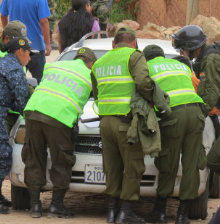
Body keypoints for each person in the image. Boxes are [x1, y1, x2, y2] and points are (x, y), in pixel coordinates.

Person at [21, 47, 97, 218]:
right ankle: (56, 206)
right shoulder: (90, 75)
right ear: (91, 64)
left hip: (33, 111)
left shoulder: (56, 66)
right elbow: (100, 99)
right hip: (58, 117)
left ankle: (35, 206)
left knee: (34, 158)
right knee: (61, 160)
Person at [91, 26, 155, 224]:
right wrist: (153, 101)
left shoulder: (98, 63)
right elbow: (144, 83)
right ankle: (126, 213)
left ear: (113, 43)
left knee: (112, 168)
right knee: (132, 167)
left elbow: (96, 93)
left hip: (105, 123)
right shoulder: (134, 56)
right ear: (134, 43)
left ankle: (112, 212)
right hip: (126, 122)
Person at [143, 44, 205, 224]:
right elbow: (197, 87)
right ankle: (182, 216)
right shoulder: (181, 66)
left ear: (146, 59)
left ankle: (160, 212)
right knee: (191, 164)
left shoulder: (147, 67)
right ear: (162, 56)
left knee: (168, 161)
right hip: (195, 113)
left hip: (173, 115)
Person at [171, 25, 220, 177]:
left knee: (214, 160)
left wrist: (195, 117)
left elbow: (210, 94)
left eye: (183, 49)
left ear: (192, 48)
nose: (182, 53)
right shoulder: (206, 58)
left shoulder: (211, 59)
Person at [0, 37, 30, 214]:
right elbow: (22, 102)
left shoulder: (3, 63)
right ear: (20, 52)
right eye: (28, 54)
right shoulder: (15, 69)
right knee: (3, 155)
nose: (30, 59)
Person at [0, 0, 52, 83]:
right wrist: (48, 44)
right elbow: (43, 21)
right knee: (40, 81)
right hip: (36, 47)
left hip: (16, 47)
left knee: (16, 81)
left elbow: (3, 15)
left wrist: (8, 31)